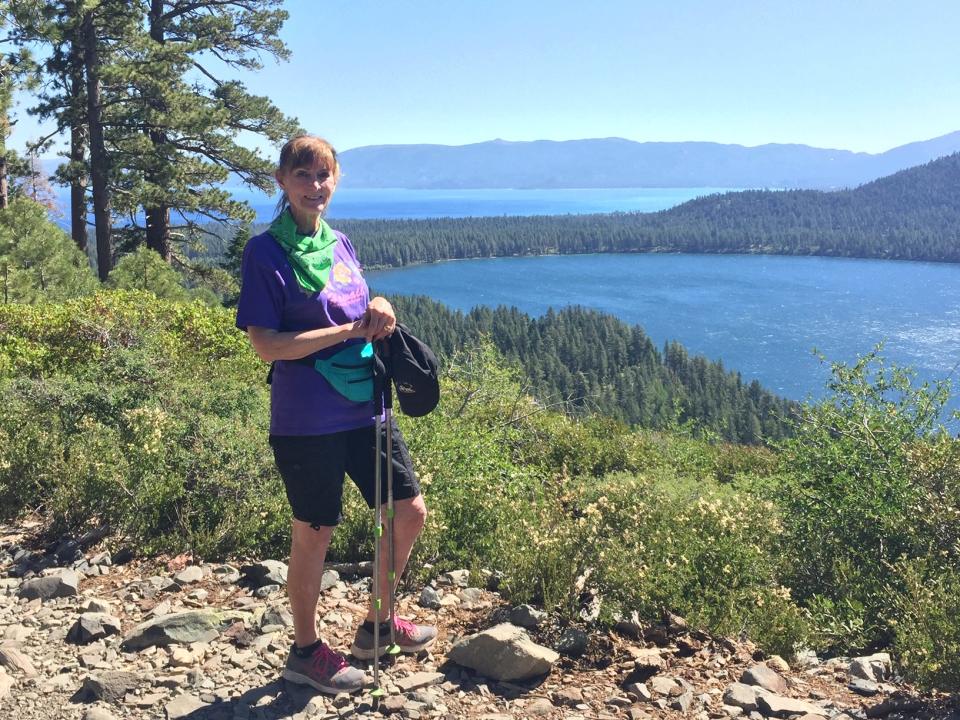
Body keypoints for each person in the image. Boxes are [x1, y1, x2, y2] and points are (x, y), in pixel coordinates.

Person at [235, 135, 436, 695]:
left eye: (323, 176)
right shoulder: (266, 253)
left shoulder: (340, 243)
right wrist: (345, 332)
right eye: (302, 175)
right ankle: (304, 650)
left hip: (365, 406)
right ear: (282, 182)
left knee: (407, 510)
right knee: (315, 533)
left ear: (335, 181)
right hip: (306, 419)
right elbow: (268, 345)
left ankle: (377, 623)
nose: (314, 186)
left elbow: (360, 305)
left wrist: (382, 309)